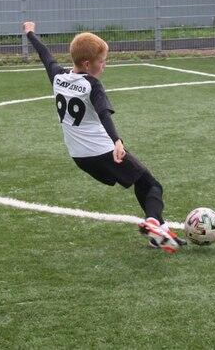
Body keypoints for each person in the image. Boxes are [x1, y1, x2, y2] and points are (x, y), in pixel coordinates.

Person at [22, 21, 185, 253]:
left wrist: (30, 32)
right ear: (87, 64)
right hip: (102, 151)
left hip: (79, 157)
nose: (104, 65)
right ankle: (153, 223)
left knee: (140, 180)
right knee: (152, 185)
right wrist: (117, 141)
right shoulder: (93, 85)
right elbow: (103, 113)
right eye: (102, 61)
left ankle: (159, 231)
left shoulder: (58, 76)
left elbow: (44, 54)